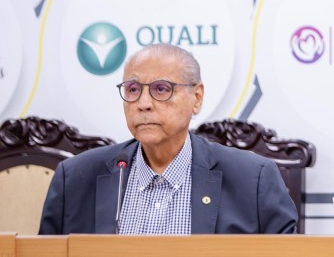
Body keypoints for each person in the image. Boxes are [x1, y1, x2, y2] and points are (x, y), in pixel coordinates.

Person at [39, 43, 297, 234]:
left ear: (196, 98)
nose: (143, 104)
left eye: (161, 89)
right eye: (133, 89)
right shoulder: (75, 179)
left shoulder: (252, 180)